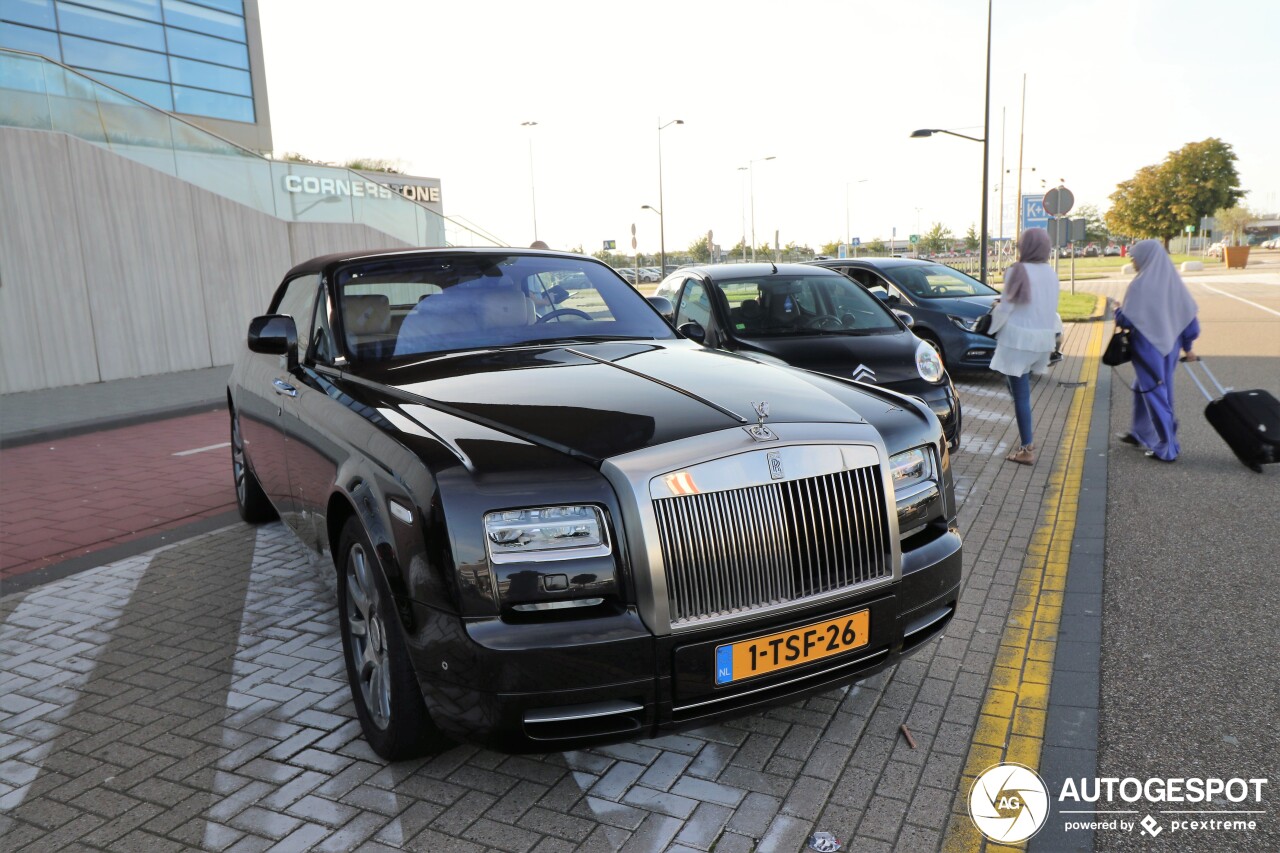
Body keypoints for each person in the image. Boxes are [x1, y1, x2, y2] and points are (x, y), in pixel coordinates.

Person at [1114, 239, 1199, 462]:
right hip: (1170, 347)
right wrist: (1188, 347)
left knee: (1154, 393)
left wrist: (1116, 311)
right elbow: (1191, 322)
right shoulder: (1174, 283)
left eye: (1134, 257)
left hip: (1147, 348)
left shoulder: (1140, 285)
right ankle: (1140, 431)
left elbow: (1127, 320)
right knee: (1147, 387)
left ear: (1146, 258)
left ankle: (1167, 446)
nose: (1132, 262)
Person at [987, 228, 1061, 465]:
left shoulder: (1018, 270)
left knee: (1019, 395)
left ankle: (1027, 448)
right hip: (1042, 341)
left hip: (1017, 341)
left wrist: (991, 321)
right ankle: (1027, 440)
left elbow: (1007, 307)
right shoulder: (1051, 273)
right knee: (1019, 391)